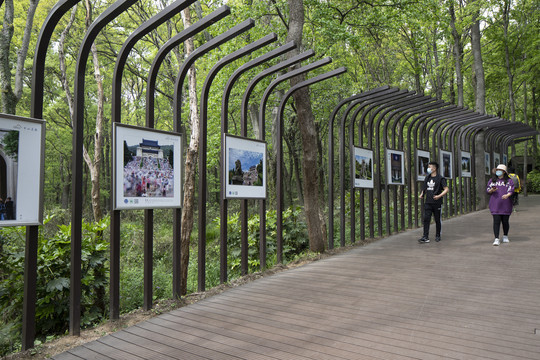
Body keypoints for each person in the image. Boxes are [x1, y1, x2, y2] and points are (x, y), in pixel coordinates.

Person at [418, 161, 449, 243]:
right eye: (428, 167)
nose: (428, 168)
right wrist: (421, 194)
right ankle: (425, 236)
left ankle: (438, 235)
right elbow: (425, 188)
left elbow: (446, 189)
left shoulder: (440, 178)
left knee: (437, 219)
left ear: (434, 168)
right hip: (428, 202)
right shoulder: (427, 177)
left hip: (437, 203)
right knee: (426, 219)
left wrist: (439, 196)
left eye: (430, 167)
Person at [487, 164, 515, 246]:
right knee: (496, 221)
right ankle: (496, 238)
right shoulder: (492, 180)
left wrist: (507, 195)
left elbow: (511, 190)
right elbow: (488, 190)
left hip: (506, 204)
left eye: (500, 170)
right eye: (497, 170)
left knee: (505, 221)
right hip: (495, 204)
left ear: (504, 172)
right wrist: (492, 190)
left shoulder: (509, 181)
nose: (498, 172)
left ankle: (505, 236)